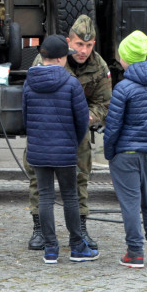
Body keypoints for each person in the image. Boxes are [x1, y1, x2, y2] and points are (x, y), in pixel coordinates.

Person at [26, 14, 112, 250]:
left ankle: (80, 230)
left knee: (79, 180)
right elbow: (30, 97)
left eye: (89, 45)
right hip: (45, 132)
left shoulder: (99, 65)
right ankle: (40, 231)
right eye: (79, 45)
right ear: (68, 41)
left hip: (77, 133)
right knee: (38, 183)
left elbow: (104, 101)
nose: (84, 50)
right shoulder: (46, 59)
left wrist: (88, 117)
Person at [103, 31, 147, 268]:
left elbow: (113, 126)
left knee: (130, 203)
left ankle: (134, 252)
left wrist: (109, 152)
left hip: (126, 153)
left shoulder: (124, 87)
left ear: (125, 58)